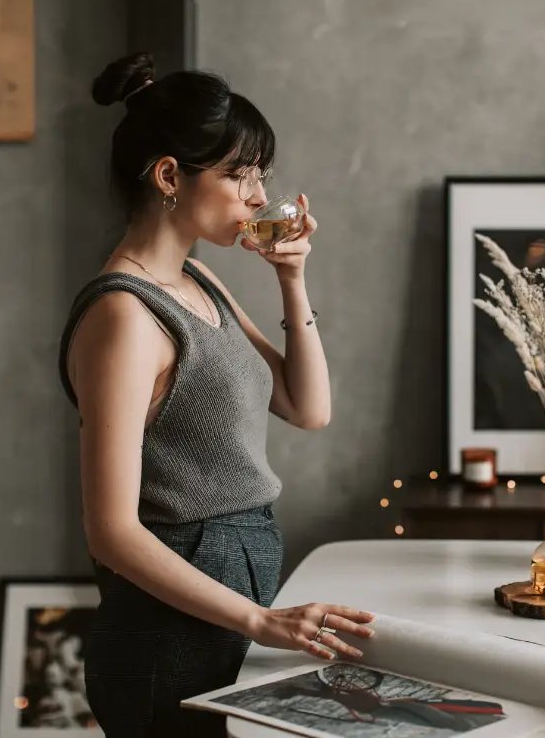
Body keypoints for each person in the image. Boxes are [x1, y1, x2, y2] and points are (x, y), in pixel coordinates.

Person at [57, 52, 375, 737]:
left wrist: (293, 277)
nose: (260, 197)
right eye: (240, 175)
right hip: (168, 628)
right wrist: (262, 619)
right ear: (170, 175)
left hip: (234, 592)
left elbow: (307, 408)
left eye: (261, 176)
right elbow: (111, 532)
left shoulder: (202, 282)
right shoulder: (124, 315)